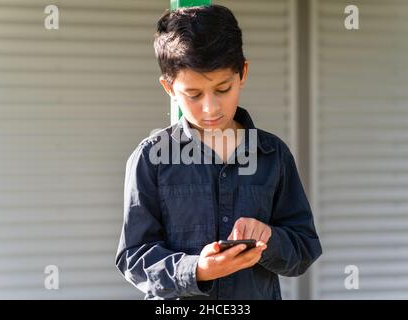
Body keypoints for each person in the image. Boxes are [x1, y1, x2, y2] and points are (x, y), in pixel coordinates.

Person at [115, 4, 322, 300]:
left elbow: (305, 249)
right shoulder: (150, 159)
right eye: (194, 95)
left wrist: (270, 238)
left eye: (223, 89)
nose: (211, 108)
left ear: (243, 73)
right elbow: (133, 258)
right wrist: (197, 269)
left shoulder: (273, 154)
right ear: (169, 88)